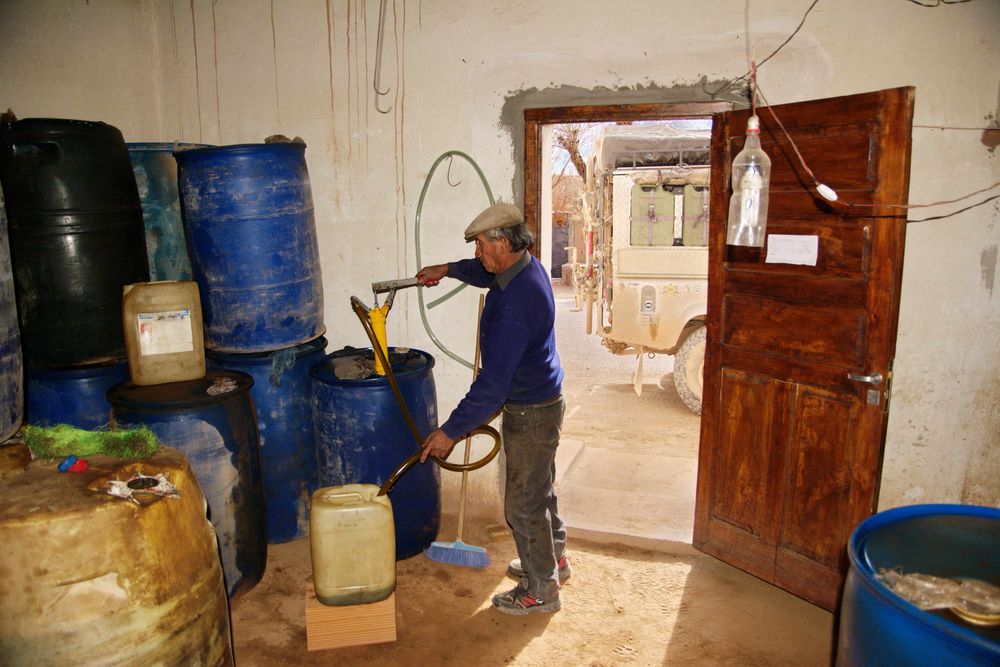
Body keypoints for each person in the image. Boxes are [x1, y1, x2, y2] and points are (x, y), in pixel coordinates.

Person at [416, 202, 572, 615]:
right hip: (544, 397)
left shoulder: (517, 306)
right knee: (540, 489)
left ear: (504, 242)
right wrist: (445, 269)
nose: (477, 255)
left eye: (482, 245)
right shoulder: (522, 267)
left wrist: (450, 431)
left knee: (522, 504)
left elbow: (490, 390)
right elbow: (481, 271)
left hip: (531, 411)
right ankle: (553, 560)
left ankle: (542, 589)